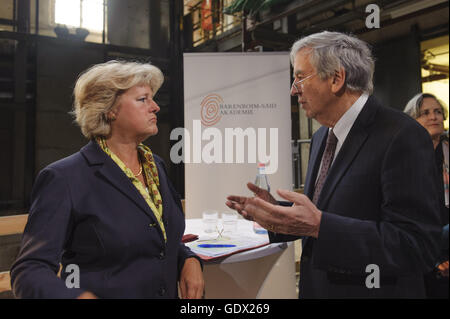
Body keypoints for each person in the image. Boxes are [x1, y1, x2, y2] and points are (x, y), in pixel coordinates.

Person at [226, 31, 442, 298]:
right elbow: (328, 210)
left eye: (300, 76)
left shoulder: (402, 135)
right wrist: (278, 214)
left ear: (337, 79)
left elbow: (417, 245)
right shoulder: (322, 136)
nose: (294, 89)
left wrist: (318, 226)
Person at [10, 60, 204, 299]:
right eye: (143, 99)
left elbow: (158, 240)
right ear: (110, 109)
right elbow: (29, 270)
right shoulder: (65, 178)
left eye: (152, 99)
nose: (155, 107)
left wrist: (188, 259)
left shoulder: (156, 167)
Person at [404, 93, 449, 298]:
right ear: (413, 121)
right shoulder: (403, 158)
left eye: (438, 112)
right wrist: (436, 259)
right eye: (425, 113)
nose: (434, 117)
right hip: (420, 252)